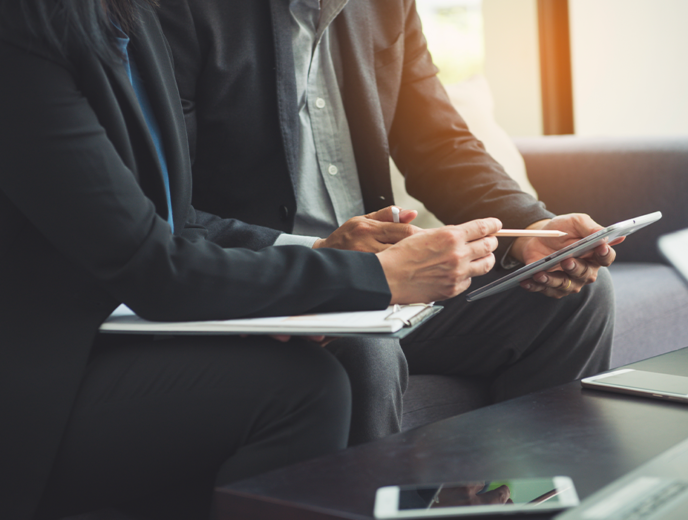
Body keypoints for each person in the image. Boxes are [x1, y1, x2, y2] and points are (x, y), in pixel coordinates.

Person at [0, 1, 502, 518]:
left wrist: (318, 267)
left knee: (317, 372)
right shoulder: (25, 33)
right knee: (305, 388)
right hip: (48, 370)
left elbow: (178, 220)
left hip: (125, 328)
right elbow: (152, 266)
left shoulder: (131, 19)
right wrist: (373, 277)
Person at [156, 0, 619, 445]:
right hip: (272, 283)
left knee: (577, 299)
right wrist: (319, 260)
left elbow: (438, 145)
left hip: (389, 279)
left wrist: (532, 229)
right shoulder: (180, 10)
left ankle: (534, 497)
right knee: (364, 348)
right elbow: (167, 210)